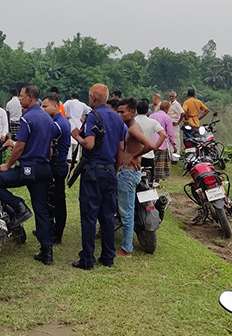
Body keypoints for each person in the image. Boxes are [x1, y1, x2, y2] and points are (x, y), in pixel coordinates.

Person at [0, 85, 54, 265]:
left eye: (22, 96)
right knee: (42, 210)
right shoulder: (47, 118)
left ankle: (19, 206)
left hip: (29, 169)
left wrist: (8, 165)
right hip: (44, 168)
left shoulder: (28, 118)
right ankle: (47, 252)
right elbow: (50, 149)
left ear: (30, 98)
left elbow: (20, 146)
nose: (19, 99)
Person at [70, 84, 126, 269]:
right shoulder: (118, 119)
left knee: (89, 215)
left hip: (93, 170)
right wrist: (115, 170)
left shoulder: (94, 116)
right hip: (110, 169)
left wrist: (77, 136)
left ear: (93, 98)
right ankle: (108, 256)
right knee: (108, 215)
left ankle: (87, 259)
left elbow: (89, 144)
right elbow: (120, 149)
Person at [115, 97, 156, 258]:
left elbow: (150, 145)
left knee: (126, 212)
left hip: (128, 172)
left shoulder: (132, 129)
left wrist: (134, 157)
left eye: (122, 112)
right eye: (118, 111)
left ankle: (126, 248)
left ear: (132, 112)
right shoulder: (132, 127)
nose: (119, 114)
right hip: (129, 172)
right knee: (126, 209)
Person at [41, 94, 71, 244]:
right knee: (51, 198)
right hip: (55, 165)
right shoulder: (57, 121)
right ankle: (50, 228)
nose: (42, 109)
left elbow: (42, 137)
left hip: (58, 166)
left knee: (58, 201)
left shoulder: (58, 124)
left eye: (45, 106)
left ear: (55, 106)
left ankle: (57, 233)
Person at [135, 100, 167, 178]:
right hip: (149, 155)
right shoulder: (153, 122)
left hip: (135, 155)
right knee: (148, 182)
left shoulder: (132, 121)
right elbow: (163, 135)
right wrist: (155, 148)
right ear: (147, 110)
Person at [151, 101, 177, 183]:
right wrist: (174, 145)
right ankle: (156, 183)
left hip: (151, 144)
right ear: (167, 109)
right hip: (161, 146)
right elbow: (170, 134)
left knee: (151, 165)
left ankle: (149, 182)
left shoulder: (151, 116)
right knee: (159, 167)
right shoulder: (167, 118)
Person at [64, 92, 92, 161]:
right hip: (79, 123)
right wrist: (85, 118)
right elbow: (90, 110)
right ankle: (76, 158)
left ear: (72, 97)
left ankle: (69, 157)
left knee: (69, 140)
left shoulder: (69, 102)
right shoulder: (82, 104)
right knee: (78, 140)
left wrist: (66, 116)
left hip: (71, 122)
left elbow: (63, 107)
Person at [167, 91, 185, 162]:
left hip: (175, 125)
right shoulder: (169, 104)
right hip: (169, 125)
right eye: (170, 96)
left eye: (172, 96)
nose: (171, 98)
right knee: (169, 141)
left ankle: (175, 158)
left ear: (175, 97)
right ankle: (170, 157)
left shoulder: (177, 104)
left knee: (176, 140)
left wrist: (178, 122)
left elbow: (182, 113)